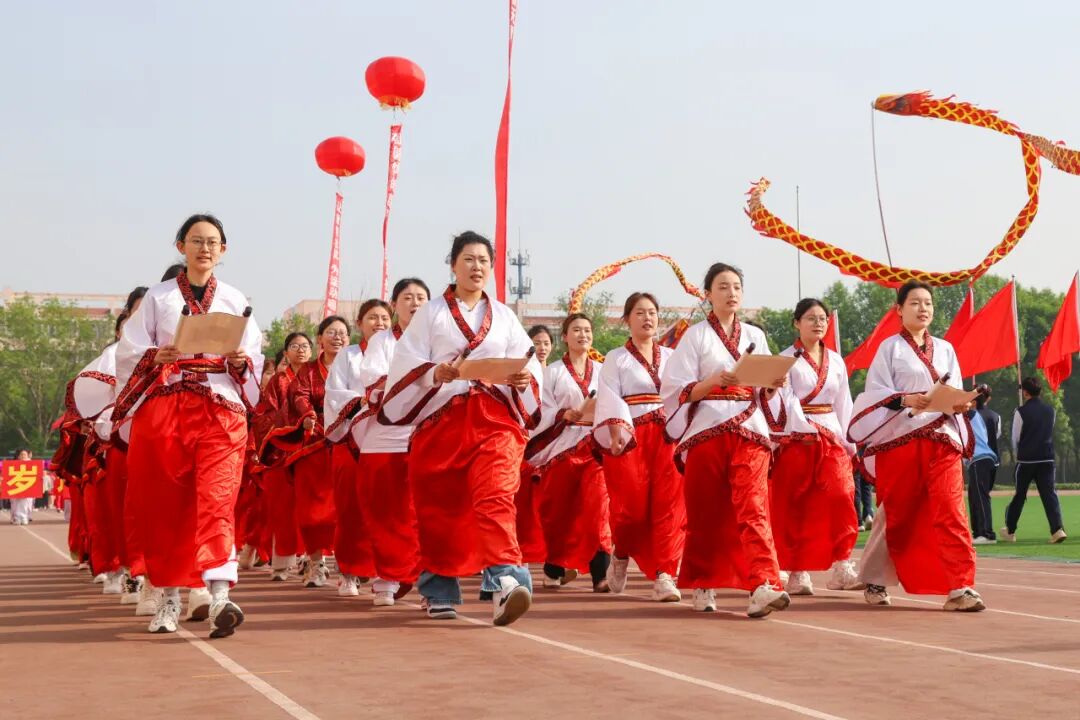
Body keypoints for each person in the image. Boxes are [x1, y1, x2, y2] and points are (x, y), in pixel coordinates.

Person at [380, 230, 542, 626]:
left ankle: (506, 579)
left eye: (484, 260)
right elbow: (406, 360)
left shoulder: (504, 316)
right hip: (443, 421)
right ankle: (439, 589)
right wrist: (435, 372)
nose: (476, 267)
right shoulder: (431, 313)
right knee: (441, 509)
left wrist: (523, 378)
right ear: (453, 265)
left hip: (494, 419)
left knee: (496, 494)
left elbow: (527, 360)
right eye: (468, 259)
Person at [115, 213, 263, 636]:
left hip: (221, 409)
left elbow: (253, 354)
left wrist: (242, 362)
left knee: (218, 499)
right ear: (181, 246)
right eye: (196, 240)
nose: (205, 248)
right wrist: (155, 356)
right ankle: (168, 596)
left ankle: (219, 594)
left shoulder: (234, 298)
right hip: (167, 408)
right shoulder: (157, 297)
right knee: (167, 505)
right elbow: (129, 351)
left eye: (212, 241)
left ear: (224, 249)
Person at [660, 262, 790, 618]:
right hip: (707, 429)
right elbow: (677, 390)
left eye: (736, 287)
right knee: (706, 511)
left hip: (750, 428)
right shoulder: (696, 336)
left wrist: (772, 384)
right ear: (708, 294)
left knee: (754, 506)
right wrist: (714, 381)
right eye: (723, 287)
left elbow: (763, 388)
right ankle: (704, 582)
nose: (731, 293)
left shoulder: (755, 334)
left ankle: (763, 583)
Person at [847, 280, 983, 612]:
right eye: (915, 303)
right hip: (901, 441)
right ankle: (876, 577)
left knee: (952, 510)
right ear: (899, 309)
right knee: (898, 513)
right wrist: (905, 398)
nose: (923, 309)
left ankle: (960, 586)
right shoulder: (889, 348)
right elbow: (875, 393)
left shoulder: (946, 348)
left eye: (928, 303)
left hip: (943, 438)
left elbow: (955, 391)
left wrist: (963, 403)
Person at [327, 279, 430, 605]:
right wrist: (421, 382)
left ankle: (432, 585)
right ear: (395, 304)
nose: (415, 303)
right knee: (384, 512)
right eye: (407, 297)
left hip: (427, 432)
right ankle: (385, 577)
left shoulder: (438, 338)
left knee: (426, 512)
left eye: (421, 297)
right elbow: (373, 380)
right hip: (382, 436)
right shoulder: (380, 343)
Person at [766, 298, 862, 595]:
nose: (818, 323)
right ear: (797, 323)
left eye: (822, 318)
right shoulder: (784, 359)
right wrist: (799, 428)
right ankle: (797, 571)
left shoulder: (836, 361)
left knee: (841, 494)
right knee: (795, 504)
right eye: (810, 318)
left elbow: (844, 402)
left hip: (831, 436)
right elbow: (781, 400)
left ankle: (842, 564)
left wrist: (850, 441)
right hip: (796, 437)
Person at [593, 292, 684, 602]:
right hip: (631, 437)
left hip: (668, 436)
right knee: (629, 510)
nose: (648, 318)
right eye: (640, 313)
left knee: (669, 506)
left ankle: (665, 574)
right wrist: (616, 430)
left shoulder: (672, 357)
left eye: (652, 313)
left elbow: (685, 393)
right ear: (627, 319)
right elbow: (609, 395)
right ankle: (621, 552)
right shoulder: (616, 358)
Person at [528, 313, 612, 592]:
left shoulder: (603, 371)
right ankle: (554, 565)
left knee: (599, 507)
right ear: (564, 337)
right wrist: (563, 414)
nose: (582, 335)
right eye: (576, 330)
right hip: (561, 446)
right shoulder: (552, 372)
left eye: (587, 330)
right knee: (559, 511)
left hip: (595, 446)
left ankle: (600, 574)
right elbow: (540, 409)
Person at [324, 299, 391, 595]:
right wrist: (362, 402)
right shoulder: (348, 356)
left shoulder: (400, 351)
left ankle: (384, 572)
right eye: (372, 317)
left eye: (384, 318)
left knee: (386, 508)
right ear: (360, 324)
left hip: (388, 439)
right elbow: (334, 393)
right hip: (350, 440)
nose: (379, 323)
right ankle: (349, 571)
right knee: (350, 508)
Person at [287, 315, 351, 587]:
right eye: (331, 332)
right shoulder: (309, 371)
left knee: (347, 505)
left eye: (342, 333)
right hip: (314, 441)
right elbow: (299, 395)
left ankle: (349, 564)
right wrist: (308, 415)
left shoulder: (357, 365)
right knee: (311, 509)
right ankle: (316, 563)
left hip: (350, 439)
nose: (338, 337)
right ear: (320, 339)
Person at [252, 333, 311, 581]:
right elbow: (265, 412)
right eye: (295, 346)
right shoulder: (278, 381)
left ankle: (311, 559)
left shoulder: (317, 377)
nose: (301, 350)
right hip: (280, 450)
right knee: (283, 507)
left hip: (311, 447)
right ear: (286, 353)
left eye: (305, 346)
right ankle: (281, 563)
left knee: (311, 506)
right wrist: (290, 427)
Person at [1002, 377, 1067, 544]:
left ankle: (1010, 530)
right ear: (1040, 391)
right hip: (1047, 459)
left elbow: (1015, 438)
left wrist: (1018, 454)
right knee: (1049, 494)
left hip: (1026, 461)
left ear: (1025, 392)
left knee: (1020, 495)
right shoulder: (1051, 411)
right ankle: (1057, 529)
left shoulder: (1020, 412)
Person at [514, 325, 554, 566]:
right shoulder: (521, 372)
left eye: (546, 343)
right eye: (537, 343)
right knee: (521, 498)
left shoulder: (557, 373)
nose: (542, 348)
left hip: (551, 442)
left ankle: (547, 553)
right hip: (524, 441)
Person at [966, 384, 999, 544]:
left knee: (980, 497)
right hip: (980, 460)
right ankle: (979, 532)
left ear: (973, 402)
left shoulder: (970, 414)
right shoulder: (974, 415)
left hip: (979, 459)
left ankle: (987, 534)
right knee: (974, 497)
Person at [8, 450, 35, 525]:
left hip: (27, 486)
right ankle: (17, 518)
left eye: (25, 454)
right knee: (16, 503)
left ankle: (24, 517)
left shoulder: (32, 464)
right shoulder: (14, 465)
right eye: (22, 454)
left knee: (27, 504)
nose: (23, 456)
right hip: (17, 486)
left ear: (27, 456)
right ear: (19, 456)